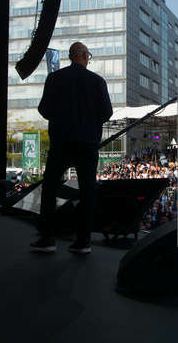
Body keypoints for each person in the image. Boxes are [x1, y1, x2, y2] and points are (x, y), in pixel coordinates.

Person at [30, 42, 113, 253]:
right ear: (85, 55)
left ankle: (48, 238)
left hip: (61, 139)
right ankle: (83, 241)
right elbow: (107, 113)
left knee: (50, 187)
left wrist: (62, 117)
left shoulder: (55, 78)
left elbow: (44, 109)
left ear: (69, 56)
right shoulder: (98, 81)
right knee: (88, 190)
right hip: (87, 142)